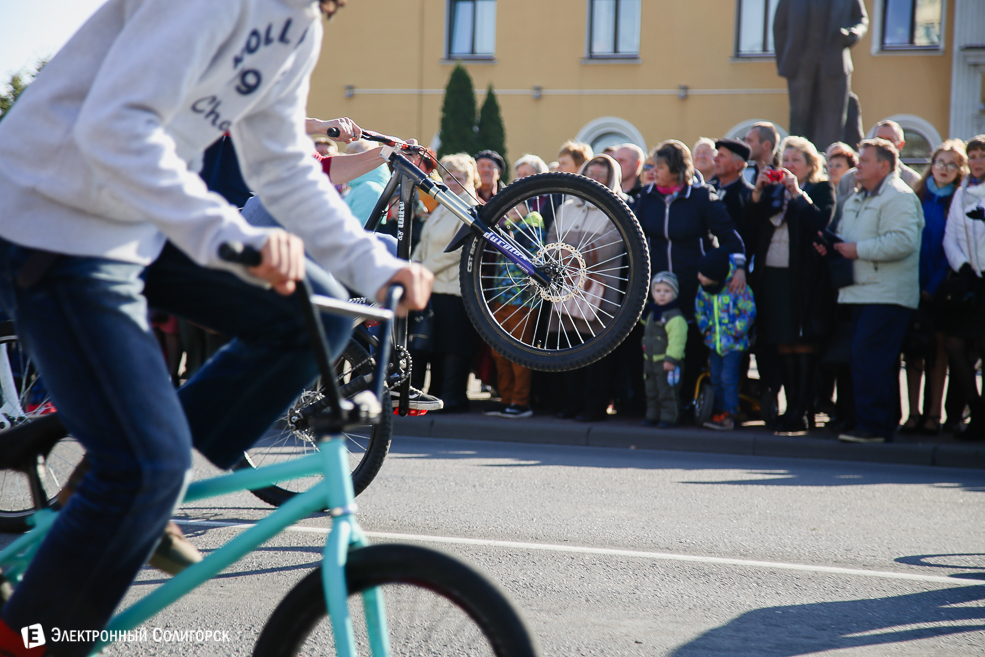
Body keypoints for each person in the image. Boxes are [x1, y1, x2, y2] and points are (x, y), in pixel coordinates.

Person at [0, 1, 434, 654]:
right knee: (147, 468)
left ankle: (119, 472)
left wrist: (374, 263)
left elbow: (284, 166)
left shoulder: (299, 24)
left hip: (139, 221)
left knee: (311, 310)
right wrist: (231, 236)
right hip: (51, 215)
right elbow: (113, 128)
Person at [821, 139, 923, 444]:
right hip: (860, 291)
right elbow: (848, 239)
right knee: (868, 359)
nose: (858, 166)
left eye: (864, 161)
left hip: (887, 294)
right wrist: (831, 247)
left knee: (869, 358)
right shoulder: (855, 198)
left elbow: (903, 241)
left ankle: (874, 427)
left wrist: (858, 249)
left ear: (885, 165)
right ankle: (877, 423)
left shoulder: (899, 197)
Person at [635, 140, 748, 411]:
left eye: (659, 166)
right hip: (658, 287)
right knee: (658, 345)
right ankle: (659, 404)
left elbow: (730, 237)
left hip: (693, 285)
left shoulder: (700, 197)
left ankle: (689, 401)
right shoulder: (646, 196)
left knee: (691, 345)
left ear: (676, 169)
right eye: (652, 166)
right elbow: (632, 236)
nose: (654, 171)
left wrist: (740, 268)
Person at [748, 136, 836, 434]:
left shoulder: (821, 188)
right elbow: (751, 224)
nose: (788, 166)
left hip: (803, 279)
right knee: (782, 342)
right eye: (785, 160)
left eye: (795, 161)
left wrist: (797, 193)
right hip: (771, 275)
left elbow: (819, 221)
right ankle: (791, 407)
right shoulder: (772, 190)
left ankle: (802, 407)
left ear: (811, 166)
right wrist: (759, 192)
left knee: (802, 342)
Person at [548, 154, 626, 422]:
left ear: (611, 179)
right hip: (567, 289)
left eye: (601, 175)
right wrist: (562, 259)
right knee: (569, 349)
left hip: (600, 294)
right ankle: (572, 403)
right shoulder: (565, 207)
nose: (594, 179)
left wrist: (571, 257)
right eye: (591, 173)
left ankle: (594, 406)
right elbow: (550, 241)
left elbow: (612, 245)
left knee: (596, 353)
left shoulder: (619, 207)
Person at [900, 139, 967, 436]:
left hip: (941, 287)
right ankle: (912, 413)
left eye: (952, 164)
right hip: (910, 284)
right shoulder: (917, 195)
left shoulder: (959, 200)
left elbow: (948, 250)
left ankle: (932, 415)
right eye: (940, 162)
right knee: (914, 349)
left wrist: (932, 285)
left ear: (959, 170)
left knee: (937, 353)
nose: (944, 169)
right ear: (932, 164)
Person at [410, 154, 481, 413]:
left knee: (452, 346)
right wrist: (413, 265)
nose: (452, 182)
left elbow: (457, 250)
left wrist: (422, 269)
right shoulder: (443, 204)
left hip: (453, 289)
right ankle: (436, 396)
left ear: (470, 179)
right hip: (431, 286)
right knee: (433, 344)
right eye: (448, 177)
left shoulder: (469, 206)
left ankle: (453, 398)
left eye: (458, 178)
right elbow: (424, 242)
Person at [484, 160, 546, 419]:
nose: (509, 209)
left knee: (518, 354)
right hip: (502, 298)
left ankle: (520, 402)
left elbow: (530, 260)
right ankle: (507, 399)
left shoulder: (533, 223)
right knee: (499, 351)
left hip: (521, 300)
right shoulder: (509, 227)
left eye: (514, 204)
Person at [773, 0, 869, 153]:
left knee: (833, 121)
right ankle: (798, 161)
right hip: (801, 64)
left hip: (834, 63)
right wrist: (785, 62)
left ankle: (830, 161)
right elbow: (779, 27)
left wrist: (853, 33)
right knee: (800, 119)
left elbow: (861, 19)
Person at [942, 135, 985, 442]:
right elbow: (951, 236)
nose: (977, 161)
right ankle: (977, 410)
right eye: (972, 156)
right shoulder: (961, 191)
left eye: (982, 155)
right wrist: (964, 267)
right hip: (969, 280)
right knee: (955, 345)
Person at [696, 249, 756, 431]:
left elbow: (748, 312)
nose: (700, 277)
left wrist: (734, 331)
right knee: (715, 377)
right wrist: (706, 328)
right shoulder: (704, 290)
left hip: (733, 344)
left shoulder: (738, 288)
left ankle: (730, 413)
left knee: (727, 378)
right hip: (714, 342)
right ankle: (720, 410)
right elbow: (700, 310)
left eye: (704, 275)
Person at [836, 120, 921, 207]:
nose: (883, 144)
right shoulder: (849, 179)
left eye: (889, 140)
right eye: (879, 139)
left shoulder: (912, 180)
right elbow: (839, 214)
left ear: (900, 145)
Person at [641, 272, 687, 428]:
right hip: (650, 360)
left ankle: (669, 417)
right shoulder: (652, 312)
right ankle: (652, 415)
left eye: (666, 291)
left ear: (674, 293)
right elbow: (641, 320)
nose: (661, 295)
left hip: (666, 362)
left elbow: (677, 340)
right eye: (658, 291)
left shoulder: (675, 317)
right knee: (651, 390)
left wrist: (671, 358)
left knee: (667, 391)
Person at [712, 138, 757, 251]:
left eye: (722, 156)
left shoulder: (747, 196)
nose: (715, 159)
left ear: (738, 165)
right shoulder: (708, 189)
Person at [342, 139, 391, 226]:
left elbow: (359, 228)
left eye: (350, 157)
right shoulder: (359, 186)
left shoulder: (369, 189)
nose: (345, 162)